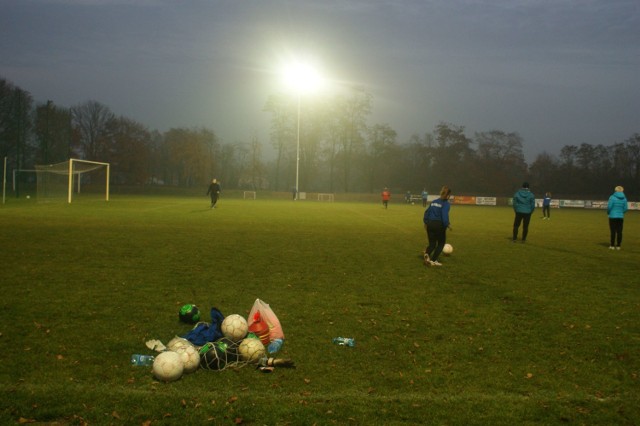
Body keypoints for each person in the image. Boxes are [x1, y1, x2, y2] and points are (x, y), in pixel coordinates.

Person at [423, 186, 452, 267]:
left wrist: (426, 222)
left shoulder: (434, 202)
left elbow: (427, 212)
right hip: (439, 225)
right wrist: (447, 224)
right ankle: (434, 260)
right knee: (441, 243)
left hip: (430, 224)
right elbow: (444, 215)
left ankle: (426, 254)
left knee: (432, 243)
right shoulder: (446, 204)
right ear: (448, 195)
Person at [607, 185, 628, 250]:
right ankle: (618, 246)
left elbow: (609, 207)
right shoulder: (624, 198)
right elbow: (625, 208)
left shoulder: (612, 197)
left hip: (612, 216)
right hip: (620, 217)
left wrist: (608, 213)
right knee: (619, 231)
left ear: (615, 190)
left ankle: (612, 245)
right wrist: (621, 213)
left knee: (613, 231)